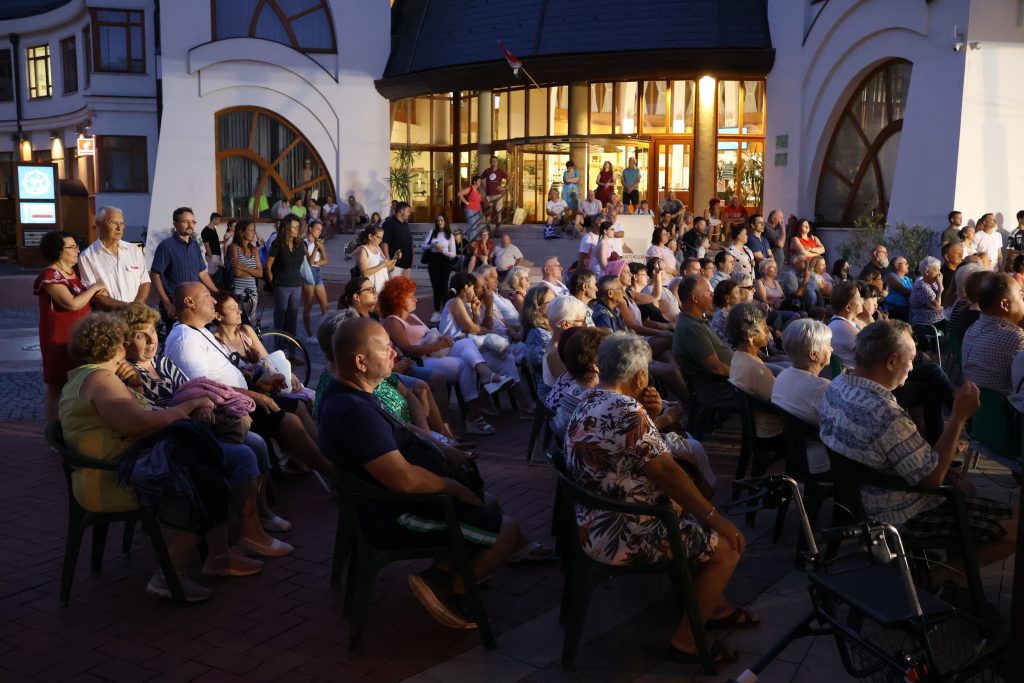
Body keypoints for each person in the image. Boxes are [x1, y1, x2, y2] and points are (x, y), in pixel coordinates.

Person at [319, 317, 526, 629]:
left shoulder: (352, 393)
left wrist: (442, 445)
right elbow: (405, 480)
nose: (394, 353)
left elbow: (401, 428)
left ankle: (447, 569)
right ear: (361, 362)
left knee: (490, 503)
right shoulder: (354, 412)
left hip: (394, 503)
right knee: (508, 532)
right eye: (385, 348)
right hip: (395, 515)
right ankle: (449, 589)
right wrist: (456, 490)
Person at [565, 331, 752, 664]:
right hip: (623, 531)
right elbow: (667, 473)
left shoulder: (590, 400)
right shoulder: (626, 410)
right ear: (639, 375)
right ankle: (686, 640)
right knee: (728, 547)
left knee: (698, 515)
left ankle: (714, 605)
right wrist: (716, 519)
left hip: (593, 520)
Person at [60, 313, 255, 602]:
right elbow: (139, 425)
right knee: (210, 484)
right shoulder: (101, 379)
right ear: (114, 346)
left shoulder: (86, 377)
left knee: (207, 470)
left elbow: (130, 418)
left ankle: (216, 557)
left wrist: (136, 388)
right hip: (116, 479)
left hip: (121, 470)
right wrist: (190, 405)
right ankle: (170, 574)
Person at [819, 320, 1015, 586]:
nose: (912, 368)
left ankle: (954, 578)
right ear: (891, 361)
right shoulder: (885, 413)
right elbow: (931, 480)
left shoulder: (838, 384)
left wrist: (946, 470)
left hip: (859, 502)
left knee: (964, 487)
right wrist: (957, 418)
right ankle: (935, 578)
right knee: (1015, 530)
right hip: (899, 515)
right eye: (910, 360)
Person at [116, 303, 292, 545]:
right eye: (140, 335)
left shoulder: (163, 363)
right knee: (243, 454)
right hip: (174, 440)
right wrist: (192, 407)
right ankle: (247, 532)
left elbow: (194, 388)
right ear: (125, 341)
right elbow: (150, 414)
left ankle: (260, 514)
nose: (150, 340)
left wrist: (204, 405)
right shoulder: (128, 374)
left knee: (258, 443)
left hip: (198, 429)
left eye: (153, 331)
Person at [164, 283, 334, 477]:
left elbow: (224, 370)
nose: (212, 300)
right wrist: (256, 395)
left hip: (239, 397)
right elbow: (203, 387)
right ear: (189, 302)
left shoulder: (198, 331)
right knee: (289, 421)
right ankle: (331, 473)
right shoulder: (186, 339)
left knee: (297, 406)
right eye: (206, 296)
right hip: (227, 408)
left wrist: (260, 384)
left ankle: (327, 457)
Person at [379, 276, 507, 436]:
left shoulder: (413, 317)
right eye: (410, 296)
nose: (415, 299)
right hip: (422, 361)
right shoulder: (393, 322)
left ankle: (484, 378)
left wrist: (442, 339)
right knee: (464, 365)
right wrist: (439, 344)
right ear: (398, 299)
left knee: (465, 344)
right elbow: (407, 350)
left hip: (437, 353)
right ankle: (472, 416)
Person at [35, 231, 107, 419]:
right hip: (59, 337)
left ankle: (73, 422)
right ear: (58, 251)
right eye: (72, 247)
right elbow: (71, 303)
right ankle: (54, 429)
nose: (77, 250)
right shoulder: (50, 275)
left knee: (79, 379)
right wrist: (95, 287)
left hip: (78, 337)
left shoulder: (74, 273)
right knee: (56, 384)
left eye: (77, 245)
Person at [770, 319, 833, 476]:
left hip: (794, 453)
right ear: (813, 354)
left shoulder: (783, 375)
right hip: (820, 459)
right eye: (828, 344)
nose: (832, 348)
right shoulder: (822, 387)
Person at [150, 207, 219, 321]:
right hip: (176, 303)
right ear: (175, 224)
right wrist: (167, 303)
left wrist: (217, 293)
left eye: (193, 222)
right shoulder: (166, 246)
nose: (190, 225)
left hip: (196, 302)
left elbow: (202, 273)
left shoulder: (195, 245)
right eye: (185, 222)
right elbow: (155, 275)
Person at [727, 303, 783, 440]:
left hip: (758, 426)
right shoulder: (756, 369)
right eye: (764, 328)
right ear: (750, 336)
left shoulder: (738, 357)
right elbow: (783, 403)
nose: (768, 331)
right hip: (772, 432)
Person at [962, 273, 1024, 395]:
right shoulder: (1017, 340)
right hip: (1008, 411)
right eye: (1021, 296)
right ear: (1005, 305)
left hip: (979, 410)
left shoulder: (971, 330)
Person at [78, 206, 151, 310]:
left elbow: (145, 282)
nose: (119, 228)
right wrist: (127, 308)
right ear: (99, 224)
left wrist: (136, 308)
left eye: (122, 223)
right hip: (108, 319)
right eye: (113, 223)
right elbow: (94, 294)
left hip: (136, 316)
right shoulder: (87, 256)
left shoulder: (134, 250)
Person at [673, 275, 733, 378]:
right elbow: (716, 368)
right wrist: (745, 376)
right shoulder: (692, 328)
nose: (713, 295)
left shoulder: (695, 321)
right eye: (709, 292)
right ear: (695, 298)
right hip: (728, 386)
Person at [264, 214, 305, 340]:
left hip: (296, 285)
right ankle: (279, 350)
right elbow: (268, 266)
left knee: (293, 318)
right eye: (293, 227)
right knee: (280, 318)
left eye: (297, 227)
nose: (296, 230)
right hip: (281, 285)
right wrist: (273, 284)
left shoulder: (300, 244)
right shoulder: (278, 244)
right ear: (286, 228)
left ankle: (292, 352)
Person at [225, 220, 263, 322]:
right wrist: (252, 272)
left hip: (253, 292)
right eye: (250, 230)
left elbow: (260, 273)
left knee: (251, 322)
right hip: (239, 293)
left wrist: (244, 267)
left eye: (253, 230)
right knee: (240, 322)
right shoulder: (233, 247)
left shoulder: (254, 249)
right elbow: (237, 273)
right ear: (241, 232)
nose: (253, 232)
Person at [423, 214, 456, 323]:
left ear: (445, 221)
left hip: (444, 262)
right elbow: (423, 246)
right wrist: (432, 246)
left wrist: (442, 250)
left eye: (442, 220)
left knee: (443, 287)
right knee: (435, 287)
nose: (440, 222)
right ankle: (436, 312)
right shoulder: (432, 232)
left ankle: (446, 312)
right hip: (433, 261)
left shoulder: (450, 235)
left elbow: (453, 254)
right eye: (438, 220)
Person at [302, 220, 330, 341]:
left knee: (325, 306)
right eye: (317, 229)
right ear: (310, 229)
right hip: (308, 274)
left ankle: (326, 333)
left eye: (320, 229)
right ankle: (309, 334)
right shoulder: (304, 243)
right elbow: (308, 262)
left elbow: (326, 260)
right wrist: (315, 249)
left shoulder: (320, 243)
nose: (319, 231)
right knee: (308, 305)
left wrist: (316, 262)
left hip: (317, 273)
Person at [827, 281, 864, 368]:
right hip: (853, 379)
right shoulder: (842, 327)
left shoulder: (845, 323)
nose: (862, 301)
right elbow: (875, 351)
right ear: (848, 307)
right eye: (859, 299)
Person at [354, 224, 396, 296]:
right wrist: (382, 265)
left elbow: (388, 269)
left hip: (383, 288)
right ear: (370, 236)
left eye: (382, 238)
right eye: (379, 237)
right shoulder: (364, 250)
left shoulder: (378, 249)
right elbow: (365, 273)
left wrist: (396, 258)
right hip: (371, 289)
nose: (381, 240)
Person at [909, 257, 945, 328]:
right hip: (925, 320)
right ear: (927, 272)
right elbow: (937, 304)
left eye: (939, 270)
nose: (939, 274)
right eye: (936, 270)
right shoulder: (921, 285)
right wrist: (940, 288)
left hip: (934, 318)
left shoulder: (932, 282)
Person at [381, 201, 413, 277]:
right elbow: (384, 243)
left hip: (407, 266)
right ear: (402, 211)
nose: (409, 213)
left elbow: (409, 242)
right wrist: (389, 262)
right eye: (408, 211)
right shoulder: (389, 223)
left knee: (406, 288)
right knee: (394, 288)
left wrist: (412, 260)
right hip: (395, 266)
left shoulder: (405, 225)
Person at [709, 279, 741, 345]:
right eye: (737, 293)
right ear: (727, 298)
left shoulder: (720, 313)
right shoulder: (725, 316)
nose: (740, 296)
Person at [882, 256, 912, 320]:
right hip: (895, 310)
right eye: (905, 264)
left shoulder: (909, 280)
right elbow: (903, 291)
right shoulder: (890, 276)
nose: (908, 265)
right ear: (897, 266)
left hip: (907, 310)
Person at [483, 156, 509, 222]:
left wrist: (504, 187)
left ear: (497, 162)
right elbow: (479, 179)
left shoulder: (500, 171)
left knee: (498, 212)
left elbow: (508, 178)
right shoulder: (487, 171)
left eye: (495, 161)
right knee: (488, 212)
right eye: (492, 161)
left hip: (498, 195)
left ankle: (498, 228)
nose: (494, 163)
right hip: (488, 195)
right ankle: (488, 228)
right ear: (490, 162)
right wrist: (483, 188)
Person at [940, 241, 964, 308]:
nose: (961, 255)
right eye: (958, 253)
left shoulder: (963, 272)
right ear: (947, 257)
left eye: (962, 253)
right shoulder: (940, 275)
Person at [201, 212, 223, 276]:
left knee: (218, 274)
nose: (220, 222)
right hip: (212, 256)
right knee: (213, 275)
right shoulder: (206, 231)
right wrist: (212, 258)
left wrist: (224, 241)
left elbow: (215, 242)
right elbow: (207, 246)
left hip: (217, 255)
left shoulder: (214, 229)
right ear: (214, 219)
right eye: (219, 220)